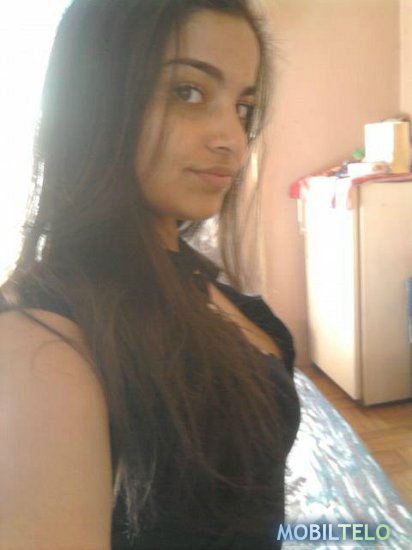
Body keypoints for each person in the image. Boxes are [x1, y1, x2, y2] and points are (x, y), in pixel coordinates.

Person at [0, 1, 300, 548]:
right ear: (95, 101)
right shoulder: (42, 343)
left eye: (243, 106)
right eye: (188, 92)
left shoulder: (189, 276)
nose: (233, 139)